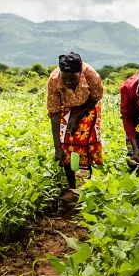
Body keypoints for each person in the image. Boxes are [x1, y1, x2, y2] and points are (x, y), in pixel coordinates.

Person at [47, 52, 105, 200]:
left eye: (73, 79)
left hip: (88, 106)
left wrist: (78, 115)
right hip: (66, 108)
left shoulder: (91, 75)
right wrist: (57, 147)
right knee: (66, 145)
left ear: (80, 73)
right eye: (65, 79)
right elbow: (54, 113)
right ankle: (73, 188)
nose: (68, 83)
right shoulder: (54, 80)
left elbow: (96, 97)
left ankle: (88, 187)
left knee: (85, 143)